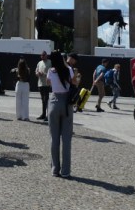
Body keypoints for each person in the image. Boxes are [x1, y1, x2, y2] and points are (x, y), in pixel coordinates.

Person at [47, 50, 76, 178]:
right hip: (66, 104)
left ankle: (55, 169)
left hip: (54, 102)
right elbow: (74, 83)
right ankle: (65, 171)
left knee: (54, 138)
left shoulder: (50, 71)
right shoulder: (69, 69)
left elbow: (49, 83)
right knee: (66, 139)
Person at [35, 51, 52, 120]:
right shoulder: (39, 63)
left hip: (46, 84)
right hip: (40, 83)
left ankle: (48, 115)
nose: (42, 56)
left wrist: (44, 74)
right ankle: (43, 114)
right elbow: (36, 71)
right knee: (43, 100)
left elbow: (51, 72)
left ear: (46, 55)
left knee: (46, 100)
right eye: (41, 55)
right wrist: (37, 73)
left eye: (43, 55)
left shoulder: (50, 62)